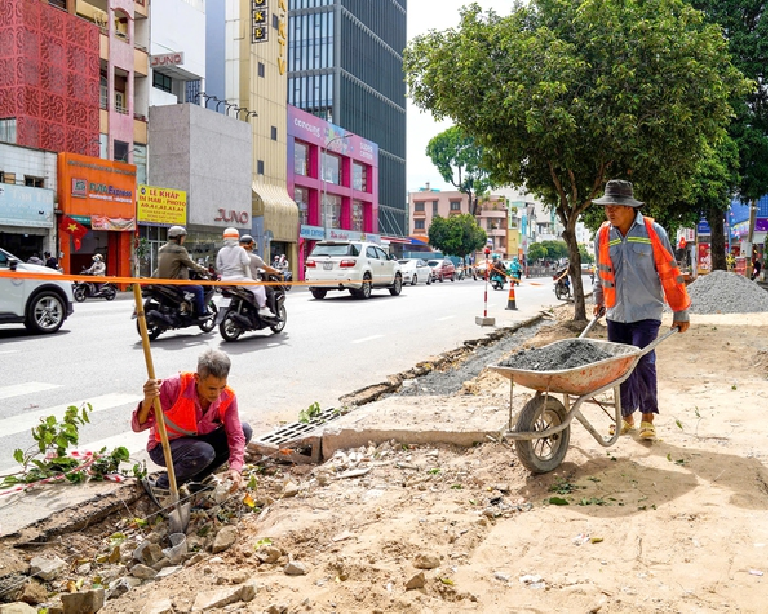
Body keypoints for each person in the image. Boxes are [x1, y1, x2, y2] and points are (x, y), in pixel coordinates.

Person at [593, 179, 690, 440]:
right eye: (607, 207)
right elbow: (600, 272)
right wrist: (598, 299)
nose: (610, 211)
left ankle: (648, 419)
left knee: (643, 361)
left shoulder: (652, 231)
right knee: (619, 365)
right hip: (616, 312)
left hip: (647, 311)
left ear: (630, 207)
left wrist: (680, 311)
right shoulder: (603, 235)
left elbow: (670, 274)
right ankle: (625, 417)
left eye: (616, 206)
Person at [133, 349, 252, 495]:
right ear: (197, 378)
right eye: (211, 388)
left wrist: (235, 468)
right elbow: (138, 426)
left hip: (200, 443)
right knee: (203, 452)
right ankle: (163, 485)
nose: (216, 394)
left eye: (221, 387)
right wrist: (147, 400)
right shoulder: (173, 386)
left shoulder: (227, 396)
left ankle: (197, 478)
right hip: (165, 447)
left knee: (245, 430)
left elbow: (236, 434)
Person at [157, 226, 210, 319]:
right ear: (178, 237)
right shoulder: (180, 250)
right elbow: (190, 263)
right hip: (176, 282)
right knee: (199, 289)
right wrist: (202, 269)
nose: (184, 239)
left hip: (161, 283)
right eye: (183, 237)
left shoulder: (161, 248)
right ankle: (201, 313)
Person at [239, 234, 283, 312]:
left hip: (233, 283)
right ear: (251, 244)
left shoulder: (236, 256)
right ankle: (267, 310)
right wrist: (277, 271)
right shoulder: (253, 257)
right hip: (248, 284)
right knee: (269, 291)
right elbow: (266, 268)